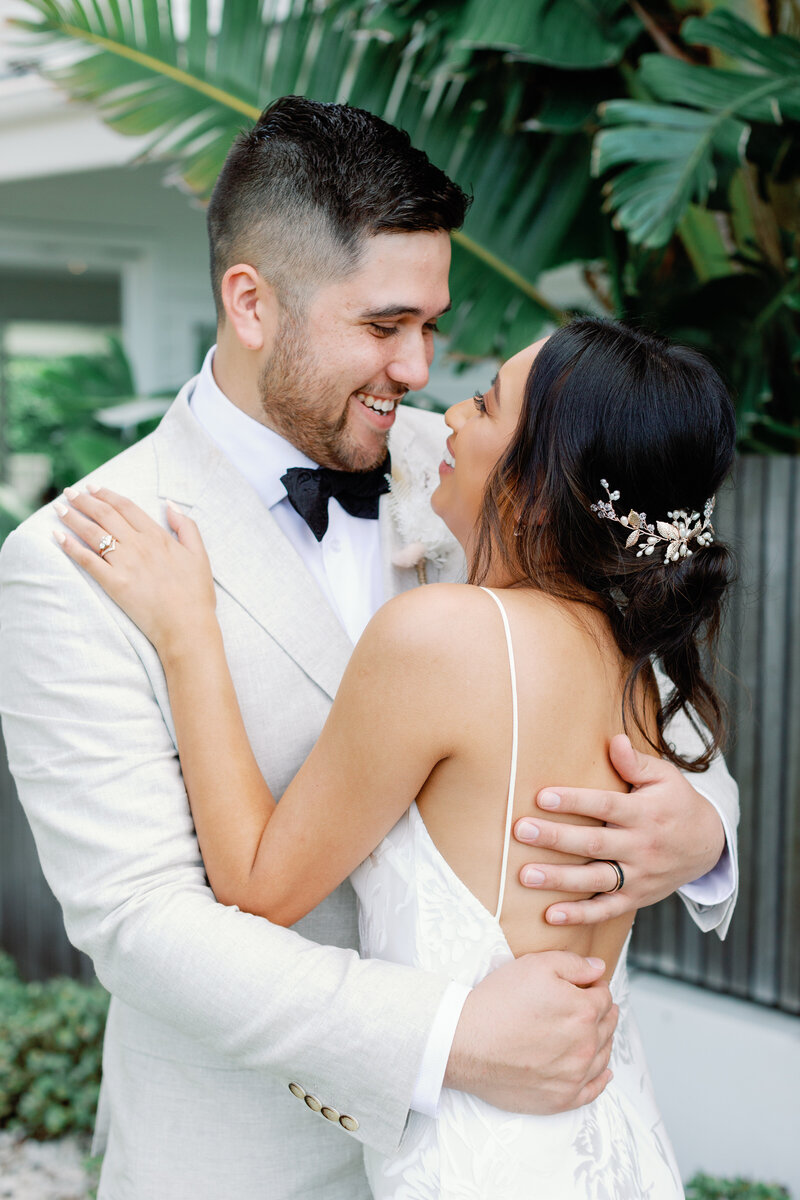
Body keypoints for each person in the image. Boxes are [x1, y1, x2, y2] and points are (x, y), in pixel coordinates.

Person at [0, 98, 737, 1200]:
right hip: (246, 1162)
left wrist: (697, 827)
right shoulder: (74, 557)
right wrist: (448, 1038)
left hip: (519, 1141)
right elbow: (141, 923)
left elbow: (651, 692)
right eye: (384, 325)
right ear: (251, 302)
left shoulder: (492, 470)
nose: (419, 369)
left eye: (433, 326)